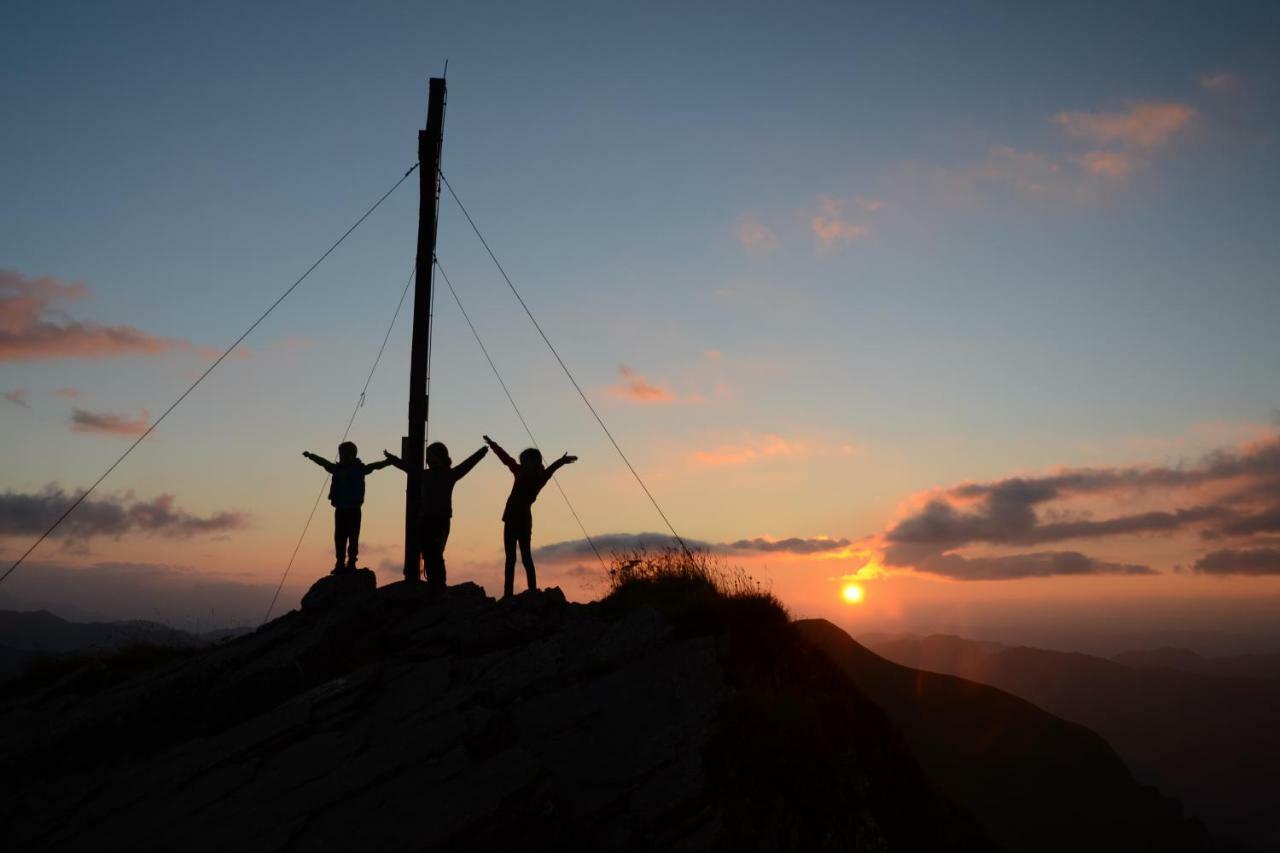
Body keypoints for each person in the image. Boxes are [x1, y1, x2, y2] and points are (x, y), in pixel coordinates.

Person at [483, 435, 577, 598]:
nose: (522, 463)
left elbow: (550, 470)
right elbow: (507, 459)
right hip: (511, 519)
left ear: (534, 462)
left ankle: (532, 592)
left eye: (525, 460)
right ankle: (508, 595)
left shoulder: (539, 478)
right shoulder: (519, 471)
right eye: (522, 461)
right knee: (510, 558)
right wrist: (493, 444)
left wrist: (561, 461)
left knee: (525, 556)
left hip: (523, 520)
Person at [383, 440, 487, 589]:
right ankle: (435, 584)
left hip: (440, 520)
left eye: (430, 456)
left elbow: (467, 465)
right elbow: (408, 468)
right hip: (426, 520)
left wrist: (481, 452)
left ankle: (438, 585)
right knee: (429, 553)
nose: (427, 459)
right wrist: (392, 458)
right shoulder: (427, 474)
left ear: (440, 457)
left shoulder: (449, 474)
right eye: (428, 456)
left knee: (435, 554)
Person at [302, 441, 394, 573]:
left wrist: (389, 461)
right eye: (341, 454)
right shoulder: (338, 469)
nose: (341, 456)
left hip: (354, 509)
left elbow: (376, 466)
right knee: (339, 537)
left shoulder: (359, 469)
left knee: (353, 537)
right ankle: (340, 562)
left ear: (352, 454)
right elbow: (323, 463)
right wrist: (311, 456)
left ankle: (351, 562)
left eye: (343, 453)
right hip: (340, 509)